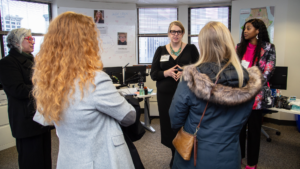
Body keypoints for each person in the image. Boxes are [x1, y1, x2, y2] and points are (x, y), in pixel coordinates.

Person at [32, 12, 136, 169]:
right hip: (101, 161)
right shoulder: (95, 79)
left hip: (69, 161)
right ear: (85, 43)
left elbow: (45, 119)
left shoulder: (49, 81)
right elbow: (129, 117)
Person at [169, 21, 263, 169]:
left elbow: (175, 119)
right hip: (230, 155)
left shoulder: (192, 78)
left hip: (195, 156)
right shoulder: (248, 81)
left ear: (203, 45)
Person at [0, 28, 52, 169]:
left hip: (40, 117)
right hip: (25, 120)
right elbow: (17, 90)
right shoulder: (7, 62)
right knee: (31, 160)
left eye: (32, 39)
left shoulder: (33, 60)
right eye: (28, 39)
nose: (32, 42)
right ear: (17, 42)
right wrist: (45, 89)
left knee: (44, 157)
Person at [150, 20, 199, 167]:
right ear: (168, 34)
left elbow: (199, 69)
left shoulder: (191, 49)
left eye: (178, 31)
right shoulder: (160, 50)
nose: (175, 34)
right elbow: (153, 74)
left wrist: (186, 72)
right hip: (165, 96)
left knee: (184, 124)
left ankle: (184, 153)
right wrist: (167, 72)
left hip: (186, 95)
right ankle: (174, 155)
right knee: (168, 125)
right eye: (173, 31)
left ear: (183, 33)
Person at [237, 19, 276, 169]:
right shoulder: (239, 47)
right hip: (240, 96)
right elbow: (234, 69)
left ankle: (252, 163)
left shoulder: (268, 48)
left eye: (248, 28)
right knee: (239, 130)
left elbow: (269, 70)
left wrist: (252, 84)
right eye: (244, 28)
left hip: (256, 97)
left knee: (253, 132)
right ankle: (238, 157)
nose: (245, 31)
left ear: (258, 30)